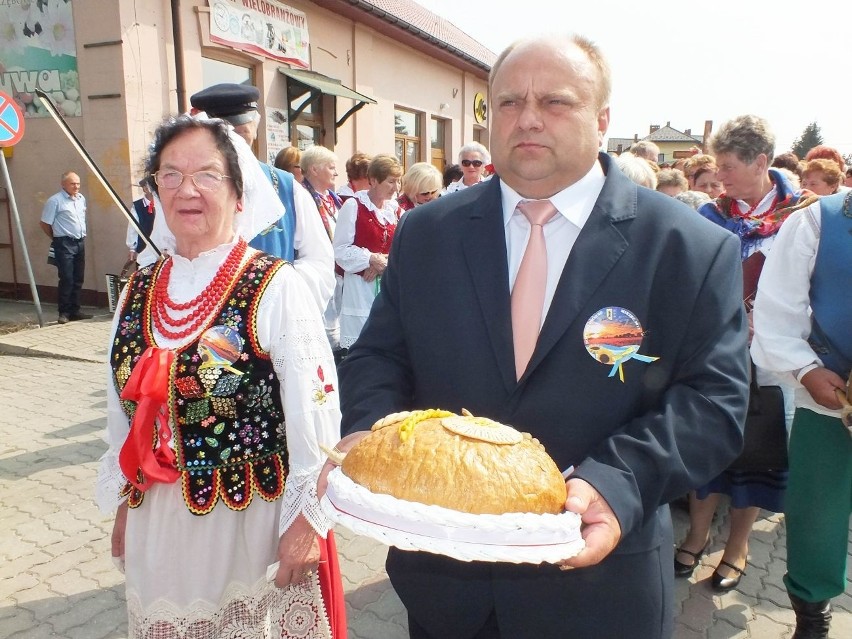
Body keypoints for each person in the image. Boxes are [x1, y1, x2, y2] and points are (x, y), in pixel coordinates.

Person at [326, 33, 749, 638]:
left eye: (555, 102)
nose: (526, 118)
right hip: (444, 589)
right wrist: (373, 431)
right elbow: (378, 356)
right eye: (507, 102)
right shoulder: (427, 233)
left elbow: (714, 403)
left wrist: (613, 480)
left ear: (602, 119)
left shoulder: (689, 249)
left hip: (598, 591)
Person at [96, 116, 345, 638]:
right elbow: (122, 413)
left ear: (238, 191)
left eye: (207, 174)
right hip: (156, 523)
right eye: (170, 175)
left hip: (245, 520)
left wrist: (307, 523)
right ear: (155, 190)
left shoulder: (274, 285)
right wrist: (124, 503)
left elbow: (315, 413)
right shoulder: (137, 289)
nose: (187, 189)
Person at [677, 115, 818, 592]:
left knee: (753, 452)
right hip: (714, 353)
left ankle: (737, 547)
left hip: (774, 360)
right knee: (704, 445)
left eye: (729, 165)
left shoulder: (804, 215)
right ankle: (696, 535)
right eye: (716, 165)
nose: (719, 176)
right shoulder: (709, 216)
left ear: (761, 162)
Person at [751, 191, 852, 639]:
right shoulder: (819, 221)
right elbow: (777, 309)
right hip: (832, 404)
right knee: (817, 518)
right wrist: (807, 370)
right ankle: (812, 619)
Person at [187, 83, 334, 313]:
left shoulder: (287, 188)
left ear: (255, 126)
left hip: (270, 323)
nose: (234, 150)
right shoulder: (185, 191)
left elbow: (319, 261)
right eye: (223, 140)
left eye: (240, 138)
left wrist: (273, 291)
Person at [332, 154, 402, 352]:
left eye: (398, 181)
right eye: (390, 181)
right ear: (373, 181)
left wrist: (383, 262)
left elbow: (403, 247)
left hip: (386, 285)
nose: (396, 188)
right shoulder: (353, 206)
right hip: (360, 287)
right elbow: (340, 249)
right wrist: (369, 259)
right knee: (362, 345)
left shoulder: (395, 210)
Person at [300, 145, 344, 352]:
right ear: (315, 170)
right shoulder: (302, 196)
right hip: (316, 272)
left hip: (337, 269)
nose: (336, 173)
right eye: (331, 167)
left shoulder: (332, 197)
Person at [39, 171, 93, 324]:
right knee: (67, 278)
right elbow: (44, 223)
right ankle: (64, 312)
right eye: (72, 183)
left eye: (78, 183)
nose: (76, 186)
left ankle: (75, 310)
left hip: (79, 242)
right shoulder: (55, 201)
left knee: (78, 278)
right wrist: (56, 238)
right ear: (63, 184)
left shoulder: (81, 199)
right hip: (64, 243)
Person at [125, 178, 156, 263]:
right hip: (143, 248)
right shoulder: (137, 206)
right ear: (145, 189)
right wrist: (132, 248)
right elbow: (132, 227)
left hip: (159, 248)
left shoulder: (161, 204)